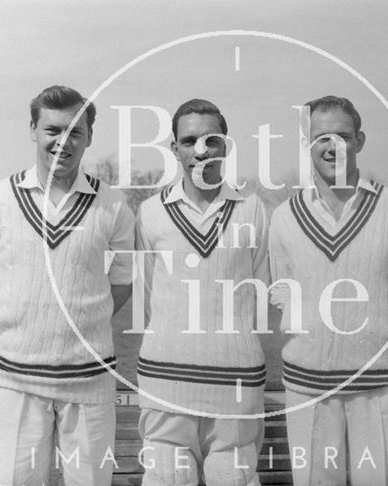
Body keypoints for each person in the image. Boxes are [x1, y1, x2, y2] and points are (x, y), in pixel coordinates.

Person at [0, 85, 135, 486]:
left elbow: (122, 284)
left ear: (89, 135)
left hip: (90, 381)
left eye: (75, 131)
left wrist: (78, 321)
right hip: (16, 381)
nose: (63, 141)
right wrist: (21, 318)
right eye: (52, 130)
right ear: (33, 129)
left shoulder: (114, 204)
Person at [269, 95, 388, 486]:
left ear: (359, 140)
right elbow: (282, 293)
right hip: (307, 386)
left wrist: (375, 329)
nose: (332, 146)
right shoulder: (283, 216)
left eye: (342, 135)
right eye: (320, 137)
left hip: (378, 385)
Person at [134, 99, 269, 486]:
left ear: (225, 144)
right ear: (174, 148)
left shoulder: (253, 209)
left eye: (210, 140)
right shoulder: (150, 212)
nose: (200, 150)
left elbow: (259, 295)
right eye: (189, 140)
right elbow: (146, 300)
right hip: (166, 386)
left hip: (236, 388)